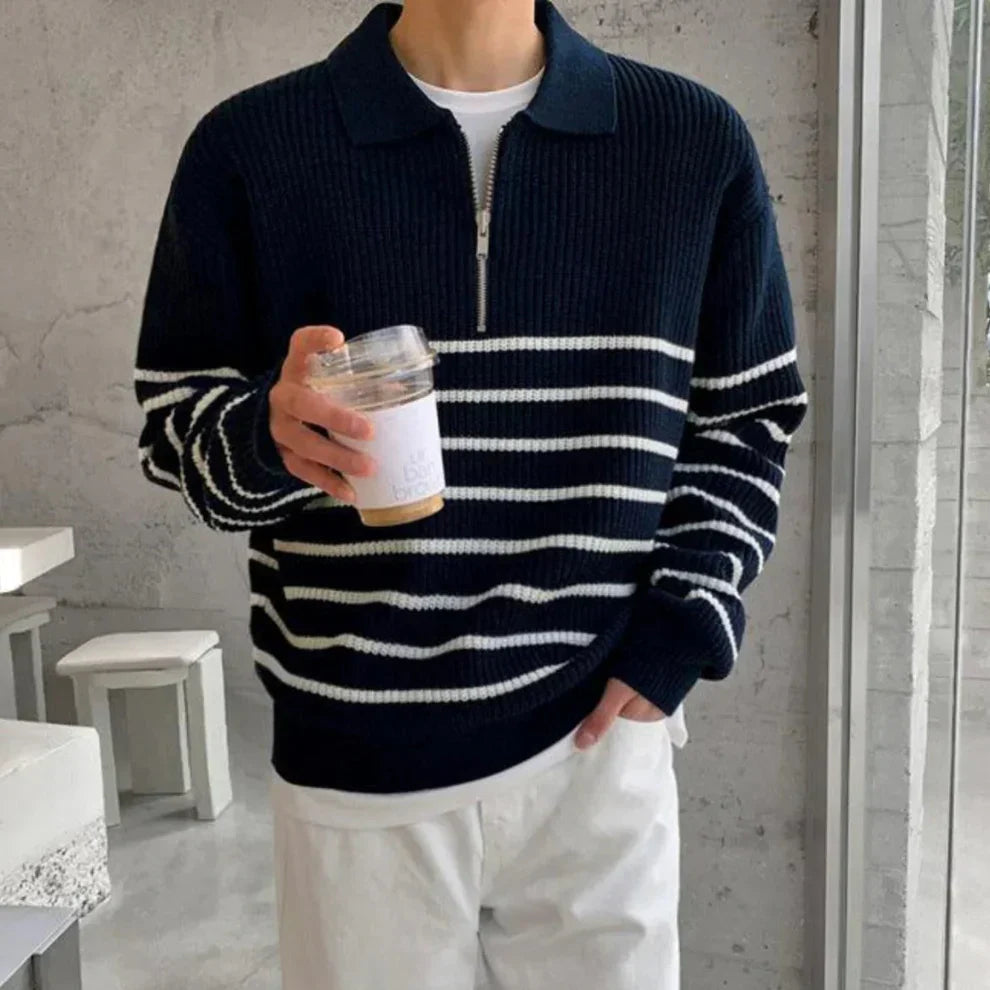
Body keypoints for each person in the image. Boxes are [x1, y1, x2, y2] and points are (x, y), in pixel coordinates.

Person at [134, 1, 807, 987]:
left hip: (600, 751)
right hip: (355, 766)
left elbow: (747, 415)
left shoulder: (691, 143)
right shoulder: (252, 146)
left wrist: (678, 632)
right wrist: (269, 439)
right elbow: (174, 427)